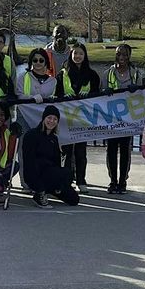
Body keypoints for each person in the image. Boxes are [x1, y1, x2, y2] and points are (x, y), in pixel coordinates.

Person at [57, 42, 100, 189]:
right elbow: (56, 94)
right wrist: (64, 95)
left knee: (81, 151)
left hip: (83, 119)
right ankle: (67, 180)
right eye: (75, 53)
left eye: (81, 53)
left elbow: (98, 96)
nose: (77, 56)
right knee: (66, 152)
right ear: (71, 54)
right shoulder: (62, 74)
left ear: (85, 55)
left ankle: (81, 180)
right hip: (66, 119)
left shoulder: (92, 75)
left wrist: (89, 95)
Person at [21, 105, 79, 209]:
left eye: (55, 119)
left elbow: (56, 162)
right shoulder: (31, 135)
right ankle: (40, 192)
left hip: (50, 174)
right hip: (35, 173)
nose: (51, 121)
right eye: (49, 118)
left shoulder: (54, 139)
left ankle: (52, 189)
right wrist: (38, 185)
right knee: (58, 173)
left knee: (74, 199)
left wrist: (60, 182)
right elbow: (29, 162)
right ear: (44, 118)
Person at [106, 43, 142, 193]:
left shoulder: (136, 73)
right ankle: (113, 181)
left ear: (129, 56)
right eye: (119, 54)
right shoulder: (108, 73)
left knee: (125, 151)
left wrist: (136, 89)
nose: (121, 57)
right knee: (111, 150)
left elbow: (141, 95)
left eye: (125, 54)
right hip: (111, 118)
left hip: (128, 119)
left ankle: (122, 182)